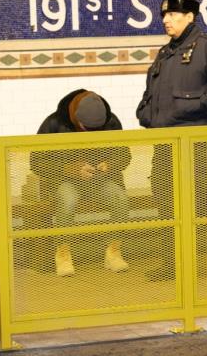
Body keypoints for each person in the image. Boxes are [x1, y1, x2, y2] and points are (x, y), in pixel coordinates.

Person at [136, 0, 207, 281]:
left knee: (200, 196)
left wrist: (188, 108)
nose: (166, 21)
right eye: (164, 16)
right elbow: (151, 93)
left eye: (173, 15)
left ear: (190, 17)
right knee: (165, 198)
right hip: (167, 138)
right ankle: (174, 262)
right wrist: (146, 113)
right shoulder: (165, 53)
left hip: (198, 136)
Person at [30, 89, 132, 276]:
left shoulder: (111, 122)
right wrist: (66, 169)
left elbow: (124, 155)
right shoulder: (53, 123)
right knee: (68, 199)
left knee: (120, 198)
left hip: (100, 181)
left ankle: (113, 253)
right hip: (64, 183)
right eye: (87, 130)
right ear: (76, 119)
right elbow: (36, 162)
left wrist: (110, 164)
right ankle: (63, 255)